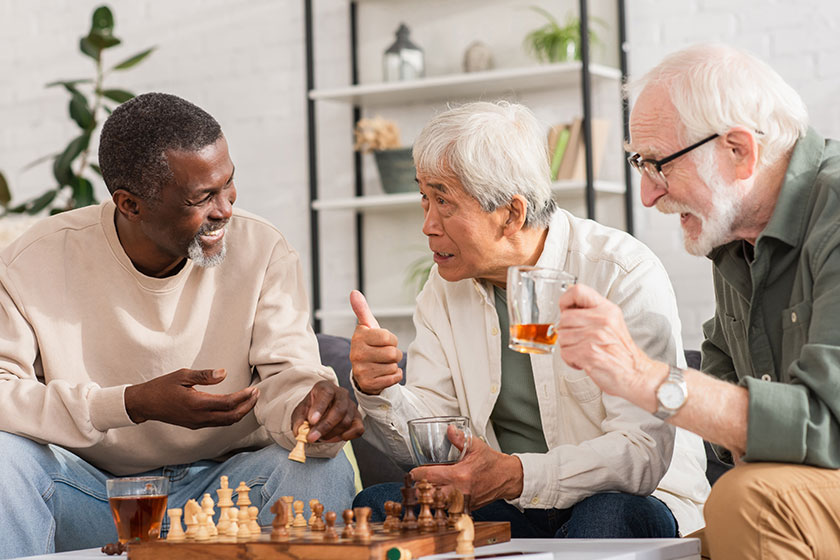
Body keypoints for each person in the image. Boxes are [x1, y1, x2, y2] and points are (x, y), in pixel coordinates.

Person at [0, 92, 363, 558]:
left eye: (228, 184)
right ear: (130, 204)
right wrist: (131, 403)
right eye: (202, 197)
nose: (226, 208)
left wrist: (306, 411)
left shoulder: (262, 248)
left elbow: (287, 377)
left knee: (323, 471)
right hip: (94, 496)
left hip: (229, 489)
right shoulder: (37, 261)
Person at [348, 100, 710, 539]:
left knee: (606, 519)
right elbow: (438, 447)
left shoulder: (620, 272)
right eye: (425, 198)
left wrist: (516, 474)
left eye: (444, 202)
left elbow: (640, 454)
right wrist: (378, 388)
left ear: (512, 214)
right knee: (378, 507)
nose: (427, 224)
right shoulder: (442, 291)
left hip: (635, 499)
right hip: (509, 505)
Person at [557, 43, 840, 559]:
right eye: (639, 164)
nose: (648, 195)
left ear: (738, 151)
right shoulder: (736, 242)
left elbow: (828, 425)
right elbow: (727, 417)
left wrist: (641, 377)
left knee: (746, 501)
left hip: (794, 489)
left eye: (659, 164)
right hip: (802, 492)